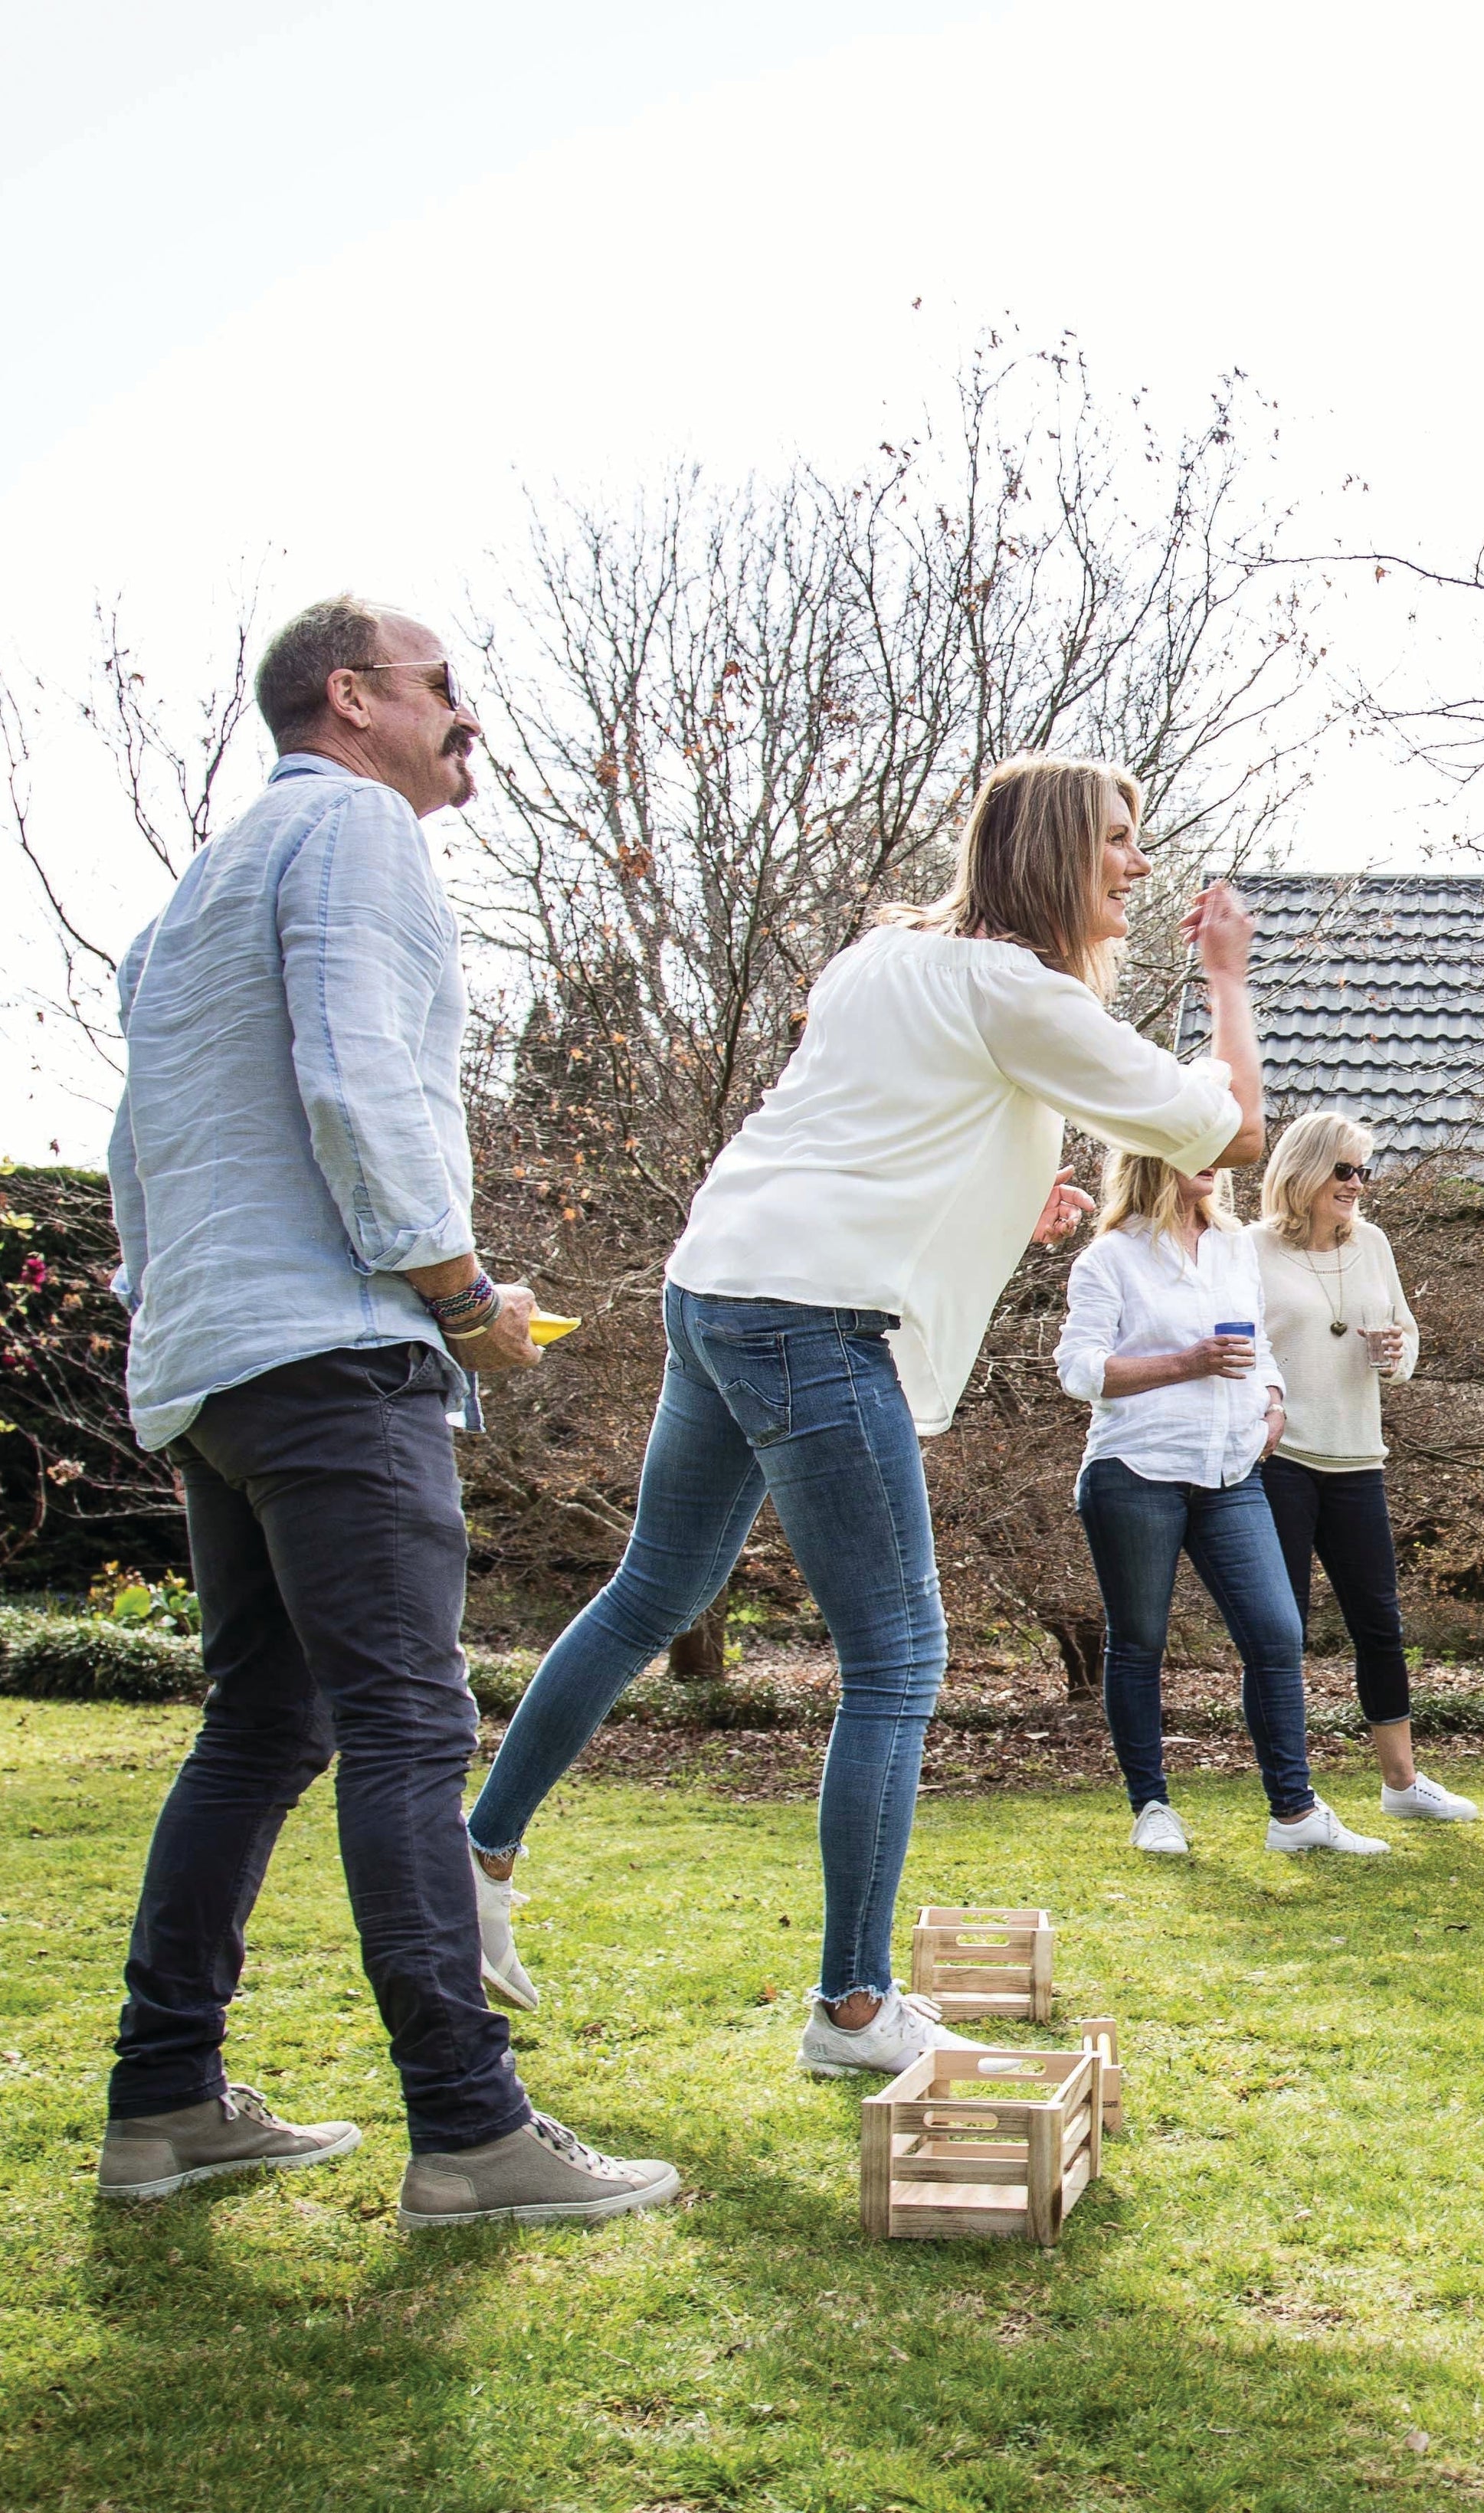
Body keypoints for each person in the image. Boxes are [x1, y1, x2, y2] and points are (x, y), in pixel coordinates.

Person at [464, 756, 1263, 2076]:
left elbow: (878, 1126)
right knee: (897, 1658)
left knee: (657, 1588)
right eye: (1119, 840)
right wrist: (1228, 976)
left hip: (718, 1284)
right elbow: (1223, 1135)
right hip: (817, 1322)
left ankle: (478, 1853)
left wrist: (1025, 1195)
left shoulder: (884, 956)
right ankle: (851, 2008)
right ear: (1059, 851)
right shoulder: (1017, 986)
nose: (1137, 862)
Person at [97, 593, 676, 2228]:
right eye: (442, 686)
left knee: (267, 1723)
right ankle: (469, 2124)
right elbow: (359, 1078)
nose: (463, 712)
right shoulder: (354, 832)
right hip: (335, 1360)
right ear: (350, 698)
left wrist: (179, 1329)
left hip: (214, 1363)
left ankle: (162, 2104)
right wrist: (458, 1294)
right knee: (412, 1727)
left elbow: (140, 1156)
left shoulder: (195, 891)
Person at [1058, 1150, 1385, 1856]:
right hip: (1136, 1469)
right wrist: (1186, 1363)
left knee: (1275, 1634)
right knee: (1140, 1644)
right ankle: (1152, 1809)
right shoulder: (1109, 1259)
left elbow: (1259, 1346)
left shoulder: (1235, 1249)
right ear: (1153, 1155)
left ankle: (1294, 1816)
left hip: (1231, 1471)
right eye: (1193, 1147)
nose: (1213, 1161)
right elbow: (1079, 1371)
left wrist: (1272, 1405)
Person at [1250, 1111, 1475, 1823]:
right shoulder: (1248, 1249)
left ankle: (1402, 1784)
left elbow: (1404, 1334)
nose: (1356, 1185)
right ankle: (1291, 1797)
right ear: (1304, 1170)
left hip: (1356, 1457)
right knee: (1279, 1630)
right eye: (1344, 1170)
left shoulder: (1372, 1243)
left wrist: (1397, 1356)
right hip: (1279, 1459)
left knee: (1379, 1624)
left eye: (1362, 1172)